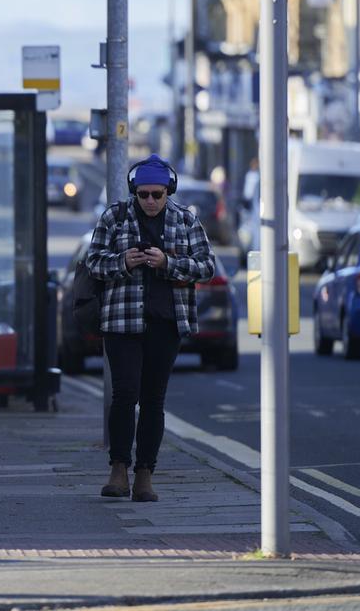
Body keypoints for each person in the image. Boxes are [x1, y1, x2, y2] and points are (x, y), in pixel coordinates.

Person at [86, 154, 215, 502]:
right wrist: (123, 261)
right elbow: (93, 262)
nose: (150, 201)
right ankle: (118, 470)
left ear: (168, 190)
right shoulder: (114, 216)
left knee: (153, 400)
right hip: (121, 321)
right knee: (124, 395)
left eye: (157, 194)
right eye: (143, 195)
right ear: (134, 191)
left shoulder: (186, 219)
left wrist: (168, 263)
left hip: (166, 322)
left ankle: (145, 474)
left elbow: (207, 267)